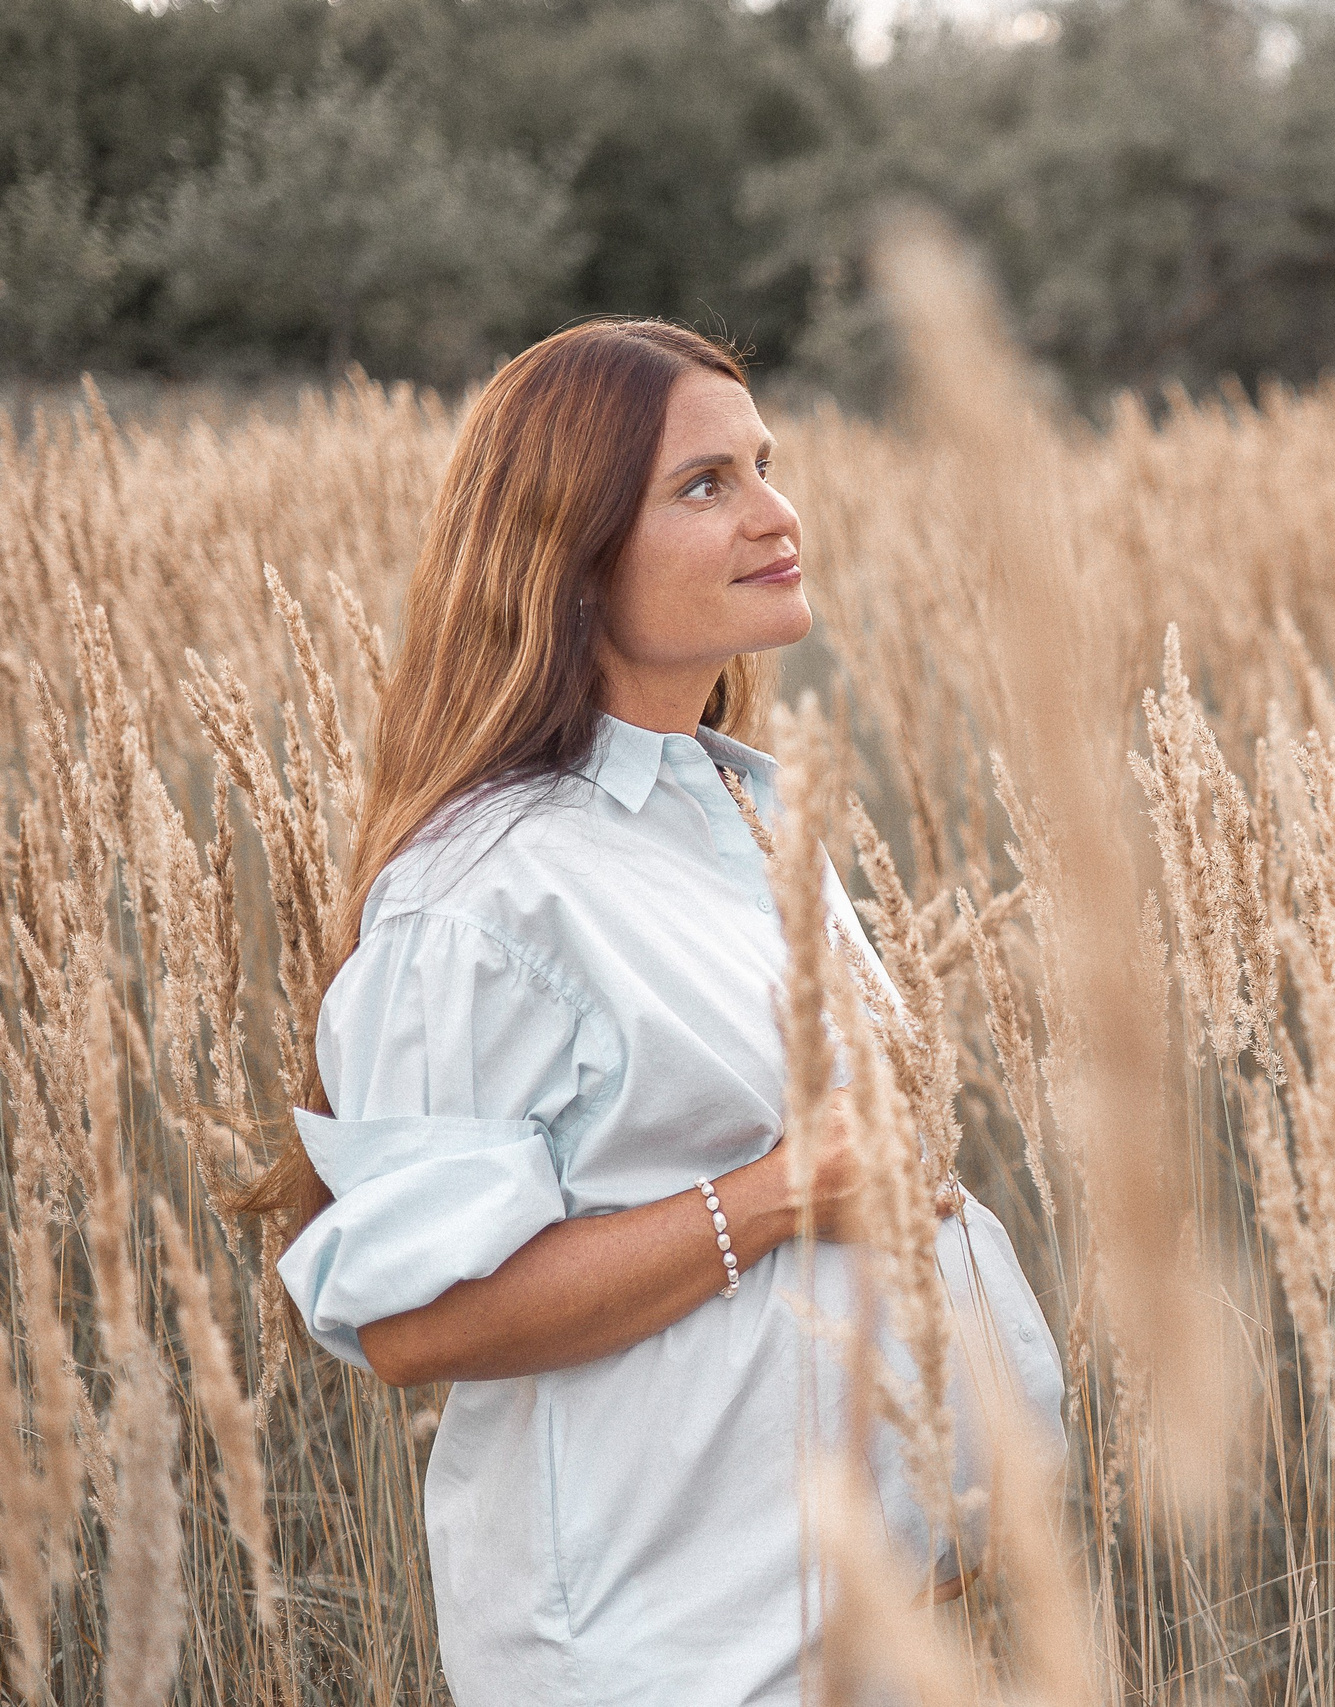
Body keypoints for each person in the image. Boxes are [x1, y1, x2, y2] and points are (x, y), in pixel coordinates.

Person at [246, 318, 1065, 1706]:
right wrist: (783, 1189)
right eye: (705, 486)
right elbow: (417, 1320)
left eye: (765, 464)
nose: (775, 513)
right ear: (568, 552)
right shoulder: (490, 892)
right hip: (659, 1644)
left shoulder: (747, 807)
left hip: (844, 1613)